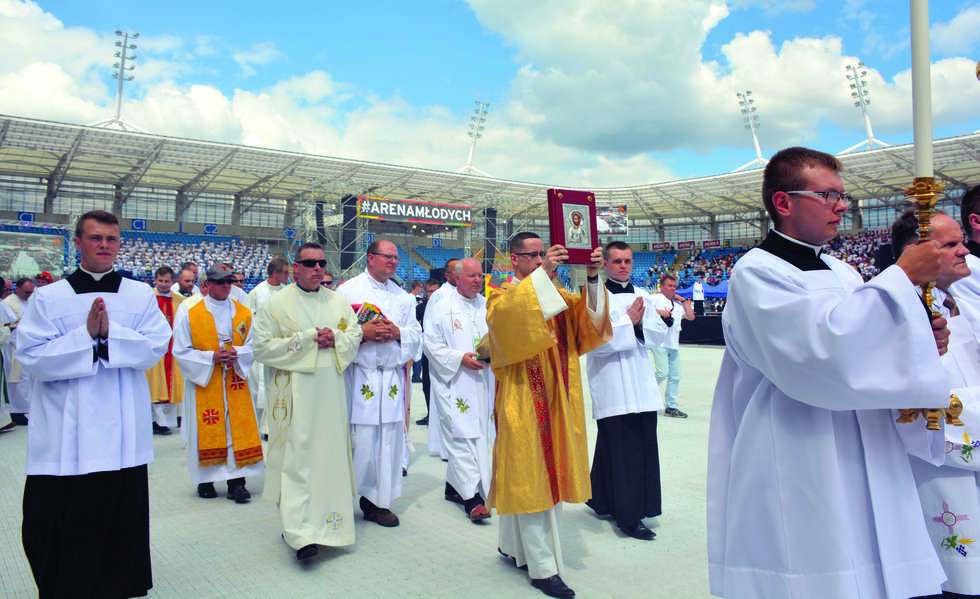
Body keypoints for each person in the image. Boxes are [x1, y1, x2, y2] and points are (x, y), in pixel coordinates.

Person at [707, 147, 953, 599]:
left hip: (868, 441)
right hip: (798, 442)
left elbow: (866, 344)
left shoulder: (843, 270)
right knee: (817, 559)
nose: (844, 206)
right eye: (829, 195)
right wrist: (899, 276)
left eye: (844, 195)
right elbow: (820, 353)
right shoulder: (757, 272)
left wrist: (918, 337)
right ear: (783, 202)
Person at [16, 210, 170, 598]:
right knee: (52, 519)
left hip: (121, 431)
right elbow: (30, 355)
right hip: (66, 433)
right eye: (96, 238)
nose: (104, 245)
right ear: (79, 242)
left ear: (120, 244)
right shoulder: (50, 297)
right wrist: (85, 338)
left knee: (118, 518)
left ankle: (116, 586)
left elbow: (154, 347)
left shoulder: (139, 295)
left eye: (111, 239)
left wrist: (108, 336)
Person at [488, 232, 611, 598]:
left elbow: (590, 326)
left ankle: (511, 546)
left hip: (557, 400)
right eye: (533, 255)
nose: (541, 259)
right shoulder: (501, 294)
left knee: (541, 475)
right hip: (523, 398)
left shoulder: (554, 293)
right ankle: (542, 567)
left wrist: (591, 277)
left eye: (544, 253)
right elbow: (510, 320)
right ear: (515, 260)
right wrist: (544, 273)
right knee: (529, 477)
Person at [253, 242, 362, 561]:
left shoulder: (338, 301)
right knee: (297, 461)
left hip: (330, 395)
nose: (317, 268)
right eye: (309, 263)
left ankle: (332, 528)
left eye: (321, 263)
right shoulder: (276, 304)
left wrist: (336, 339)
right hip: (294, 396)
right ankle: (299, 532)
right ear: (295, 267)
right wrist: (307, 340)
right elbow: (261, 348)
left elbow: (353, 336)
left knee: (329, 459)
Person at [893, 208, 980, 598]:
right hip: (936, 466)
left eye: (963, 240)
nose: (965, 251)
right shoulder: (899, 311)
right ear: (920, 252)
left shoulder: (959, 300)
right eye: (951, 244)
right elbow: (917, 401)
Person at [585, 241, 668, 541]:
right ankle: (629, 517)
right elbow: (594, 341)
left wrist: (639, 325)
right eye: (617, 261)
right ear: (605, 264)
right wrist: (628, 322)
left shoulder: (643, 295)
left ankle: (602, 499)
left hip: (640, 382)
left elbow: (659, 335)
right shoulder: (596, 296)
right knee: (624, 451)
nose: (623, 266)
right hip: (612, 384)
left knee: (624, 448)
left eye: (628, 261)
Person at [337, 239, 422, 527]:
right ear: (370, 258)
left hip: (391, 378)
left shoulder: (403, 297)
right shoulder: (347, 291)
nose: (393, 262)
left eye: (397, 258)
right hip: (361, 374)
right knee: (359, 439)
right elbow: (337, 335)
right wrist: (363, 333)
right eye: (388, 256)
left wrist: (398, 333)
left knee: (388, 441)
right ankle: (342, 497)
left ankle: (377, 502)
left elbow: (416, 335)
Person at [172, 264, 262, 503]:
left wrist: (237, 354)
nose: (226, 286)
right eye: (220, 282)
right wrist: (211, 357)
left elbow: (254, 345)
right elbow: (181, 350)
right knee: (207, 428)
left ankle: (237, 482)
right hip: (206, 380)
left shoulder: (242, 312)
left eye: (229, 282)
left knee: (235, 428)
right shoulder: (189, 311)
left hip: (234, 379)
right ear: (208, 284)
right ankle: (205, 480)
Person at [423, 258, 493, 522]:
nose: (478, 280)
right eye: (472, 276)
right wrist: (458, 358)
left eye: (481, 276)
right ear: (457, 278)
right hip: (453, 381)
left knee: (481, 435)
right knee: (460, 435)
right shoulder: (442, 305)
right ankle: (472, 498)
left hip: (483, 381)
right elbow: (430, 344)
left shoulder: (487, 305)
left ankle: (454, 487)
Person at [245, 256, 289, 435]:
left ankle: (272, 427)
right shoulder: (257, 293)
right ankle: (255, 427)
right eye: (285, 272)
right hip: (261, 347)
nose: (288, 276)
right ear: (275, 273)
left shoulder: (287, 292)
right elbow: (249, 319)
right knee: (258, 389)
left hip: (281, 346)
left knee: (277, 388)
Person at [423, 257, 460, 458]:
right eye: (457, 271)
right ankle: (446, 448)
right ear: (447, 275)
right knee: (445, 406)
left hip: (463, 358)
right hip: (444, 357)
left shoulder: (465, 294)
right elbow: (430, 328)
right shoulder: (440, 296)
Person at [146, 265, 185, 436]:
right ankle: (156, 421)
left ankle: (170, 420)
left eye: (166, 281)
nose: (163, 284)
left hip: (173, 346)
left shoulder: (180, 300)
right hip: (154, 346)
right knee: (155, 384)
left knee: (173, 383)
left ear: (173, 282)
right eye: (160, 281)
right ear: (155, 280)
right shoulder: (148, 298)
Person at [651, 274, 694, 419]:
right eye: (669, 285)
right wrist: (659, 312)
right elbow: (644, 310)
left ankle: (671, 406)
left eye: (674, 286)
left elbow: (691, 316)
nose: (673, 288)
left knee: (675, 376)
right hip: (659, 342)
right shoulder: (656, 298)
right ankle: (643, 395)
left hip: (673, 344)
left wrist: (684, 301)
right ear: (662, 287)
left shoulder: (678, 303)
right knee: (662, 373)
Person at [4, 276, 35, 426]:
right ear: (17, 289)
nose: (28, 295)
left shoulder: (27, 302)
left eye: (31, 292)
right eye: (26, 292)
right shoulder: (9, 303)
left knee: (25, 381)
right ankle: (16, 411)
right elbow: (10, 326)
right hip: (13, 347)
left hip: (26, 346)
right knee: (17, 382)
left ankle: (22, 410)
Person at [415, 278, 442, 425]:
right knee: (427, 383)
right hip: (427, 351)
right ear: (425, 292)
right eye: (430, 291)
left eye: (435, 291)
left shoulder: (447, 306)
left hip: (444, 350)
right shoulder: (420, 308)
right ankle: (430, 414)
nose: (432, 294)